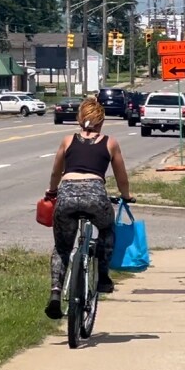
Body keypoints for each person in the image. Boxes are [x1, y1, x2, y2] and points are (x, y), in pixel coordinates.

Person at [43, 97, 133, 319]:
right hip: (95, 196)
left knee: (62, 248)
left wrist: (52, 192)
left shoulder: (67, 140)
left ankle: (55, 292)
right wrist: (126, 196)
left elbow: (56, 172)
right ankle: (102, 276)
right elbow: (121, 176)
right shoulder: (110, 142)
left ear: (79, 119)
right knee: (107, 229)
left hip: (66, 196)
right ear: (101, 122)